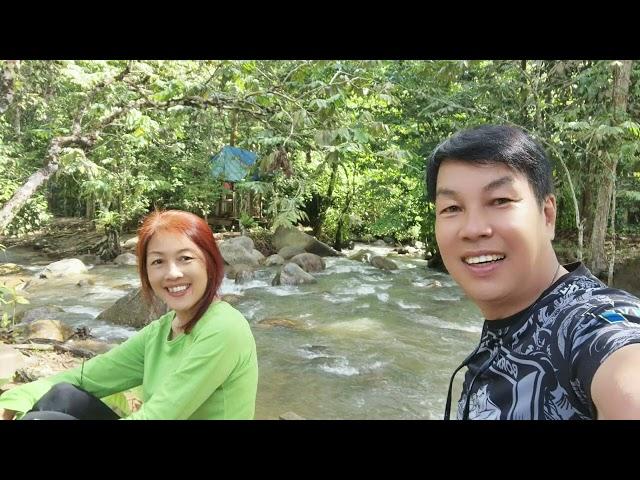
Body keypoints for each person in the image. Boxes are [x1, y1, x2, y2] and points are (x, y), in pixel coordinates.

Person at [426, 124, 640, 420]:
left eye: (500, 201)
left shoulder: (590, 322)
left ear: (547, 215)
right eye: (451, 208)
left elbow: (623, 366)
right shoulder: (506, 326)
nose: (473, 229)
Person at [0, 210, 258, 420]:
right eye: (158, 262)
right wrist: (15, 398)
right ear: (146, 272)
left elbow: (158, 416)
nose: (172, 273)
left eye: (185, 258)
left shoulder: (224, 328)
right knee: (62, 396)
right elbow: (88, 376)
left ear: (210, 262)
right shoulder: (162, 330)